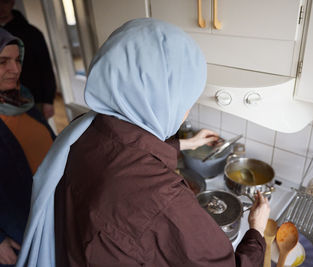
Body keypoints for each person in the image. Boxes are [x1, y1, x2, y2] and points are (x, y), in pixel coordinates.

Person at [16, 18, 269, 267]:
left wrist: (186, 144)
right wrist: (256, 230)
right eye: (185, 100)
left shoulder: (85, 129)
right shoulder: (161, 198)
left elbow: (122, 153)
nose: (186, 112)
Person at [0, 28, 54, 266]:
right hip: (16, 237)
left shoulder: (24, 99)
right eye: (2, 62)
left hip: (50, 222)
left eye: (17, 60)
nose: (15, 69)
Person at [0, 0, 57, 119]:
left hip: (33, 99)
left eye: (5, 2)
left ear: (12, 3)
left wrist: (48, 100)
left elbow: (45, 67)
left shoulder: (32, 33)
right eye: (3, 61)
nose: (1, 6)